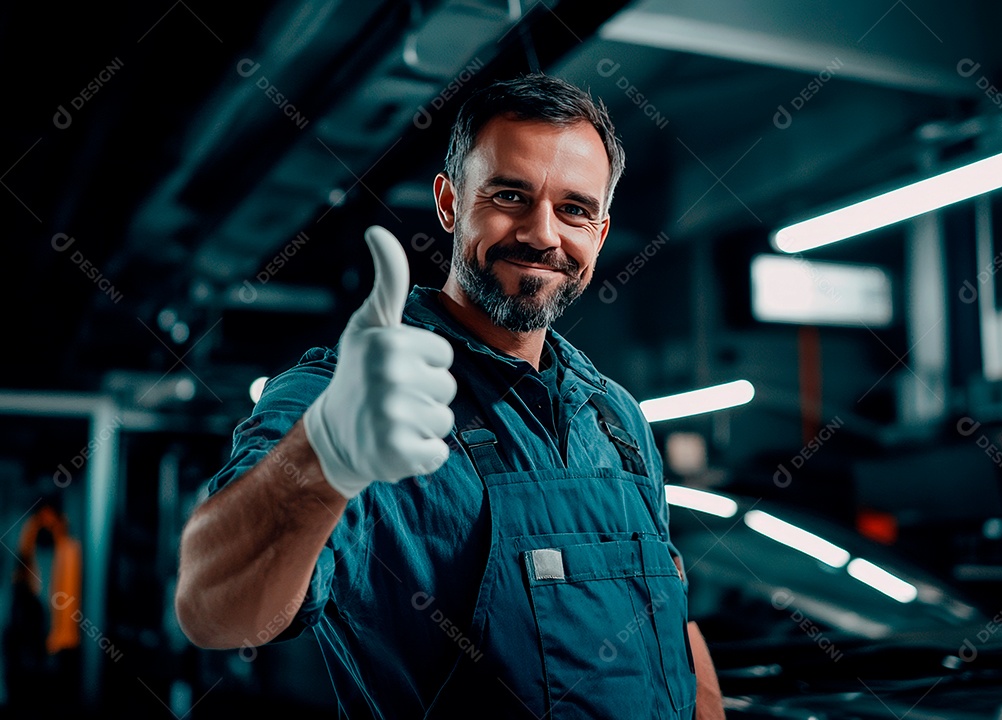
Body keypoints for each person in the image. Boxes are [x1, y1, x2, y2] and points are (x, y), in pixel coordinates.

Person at [175, 73, 725, 719]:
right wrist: (326, 453)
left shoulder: (618, 418)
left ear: (601, 234)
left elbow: (671, 625)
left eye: (574, 209)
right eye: (510, 195)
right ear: (449, 203)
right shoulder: (354, 395)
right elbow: (213, 609)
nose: (543, 234)